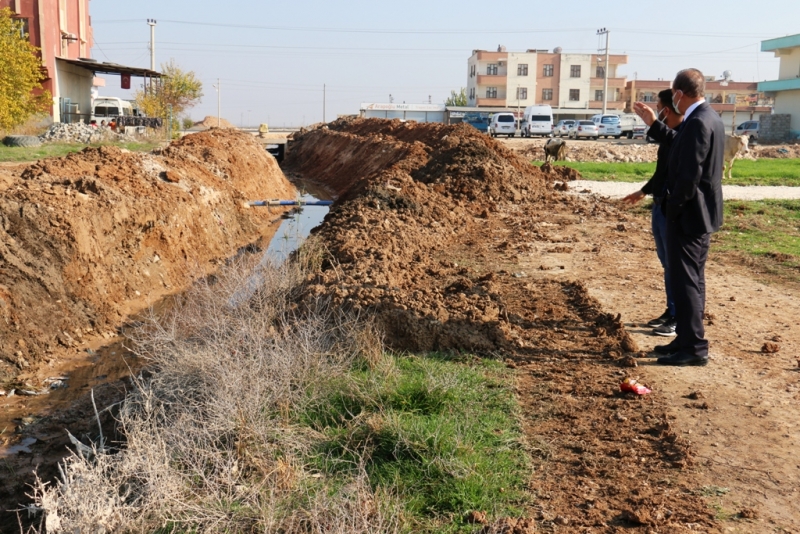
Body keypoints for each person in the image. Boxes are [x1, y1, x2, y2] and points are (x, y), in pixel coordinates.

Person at [634, 68, 725, 366]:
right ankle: (685, 338)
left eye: (672, 94)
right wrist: (653, 125)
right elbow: (679, 145)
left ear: (678, 94)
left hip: (688, 217)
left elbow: (689, 175)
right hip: (697, 215)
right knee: (692, 280)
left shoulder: (698, 122)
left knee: (686, 282)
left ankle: (694, 348)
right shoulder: (708, 117)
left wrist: (672, 209)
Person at [625, 90, 684, 337]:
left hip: (673, 208)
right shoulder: (668, 139)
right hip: (660, 206)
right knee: (667, 263)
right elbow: (662, 172)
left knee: (675, 265)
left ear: (666, 110)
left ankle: (679, 317)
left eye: (658, 107)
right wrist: (644, 191)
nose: (657, 111)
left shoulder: (684, 137)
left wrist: (654, 124)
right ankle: (671, 311)